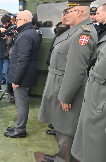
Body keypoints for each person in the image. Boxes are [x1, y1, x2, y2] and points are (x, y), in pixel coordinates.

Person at [38, 0, 97, 162]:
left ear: (78, 12)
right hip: (58, 82)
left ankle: (63, 159)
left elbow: (76, 69)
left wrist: (66, 96)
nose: (65, 15)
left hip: (65, 85)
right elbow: (61, 42)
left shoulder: (83, 34)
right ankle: (60, 156)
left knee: (66, 129)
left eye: (68, 12)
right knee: (59, 125)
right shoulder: (75, 30)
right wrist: (65, 23)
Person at [71, 3, 106, 162]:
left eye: (98, 13)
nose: (96, 16)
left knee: (94, 138)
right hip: (95, 91)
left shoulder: (86, 32)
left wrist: (91, 72)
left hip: (99, 95)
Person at [4, 10, 41, 138]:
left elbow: (23, 60)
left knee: (21, 104)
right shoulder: (30, 32)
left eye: (18, 20)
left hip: (22, 77)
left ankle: (20, 130)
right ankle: (19, 126)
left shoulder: (25, 35)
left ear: (25, 20)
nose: (16, 22)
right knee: (21, 103)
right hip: (25, 75)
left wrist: (16, 80)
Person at [0, 14, 12, 93]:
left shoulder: (12, 28)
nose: (4, 25)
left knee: (7, 72)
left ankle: (7, 88)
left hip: (7, 53)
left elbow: (15, 39)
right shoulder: (0, 27)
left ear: (9, 22)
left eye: (6, 24)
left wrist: (8, 37)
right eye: (3, 24)